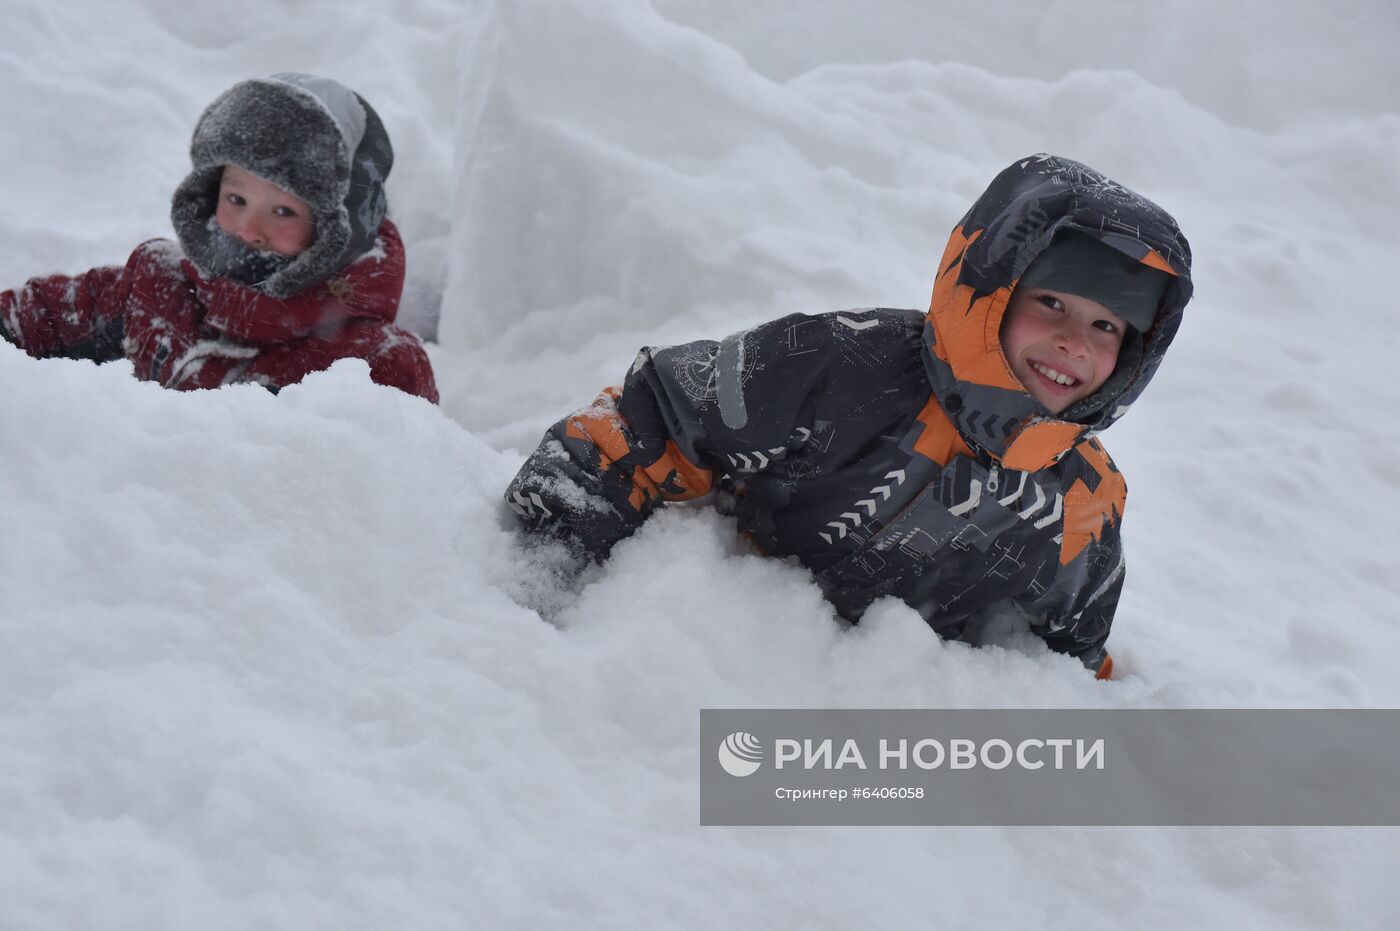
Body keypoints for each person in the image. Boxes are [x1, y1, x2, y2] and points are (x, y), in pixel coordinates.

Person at [504, 154, 1193, 678]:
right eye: (1052, 304)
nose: (1074, 341)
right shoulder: (841, 363)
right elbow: (656, 411)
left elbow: (1070, 656)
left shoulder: (1084, 503)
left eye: (1107, 326)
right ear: (991, 292)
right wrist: (549, 562)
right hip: (708, 650)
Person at [0, 73, 438, 402]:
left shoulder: (372, 363)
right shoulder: (157, 285)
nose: (249, 230)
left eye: (283, 210)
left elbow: (397, 492)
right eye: (236, 198)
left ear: (337, 230)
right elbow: (41, 318)